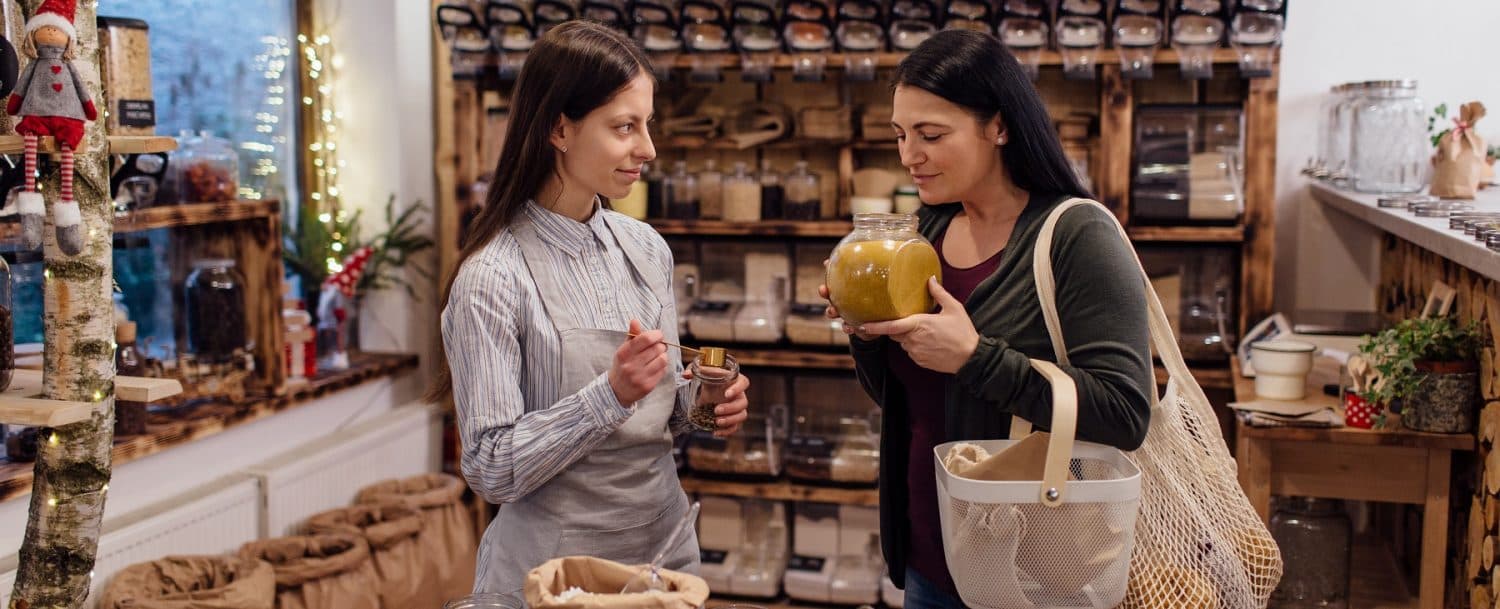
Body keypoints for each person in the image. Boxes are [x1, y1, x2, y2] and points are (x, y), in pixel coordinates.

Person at [819, 30, 1154, 609]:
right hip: (931, 556)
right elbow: (904, 399)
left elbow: (1125, 415)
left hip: (1037, 572)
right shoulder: (920, 237)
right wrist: (867, 333)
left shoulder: (1078, 235)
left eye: (931, 135)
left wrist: (976, 359)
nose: (908, 156)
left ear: (998, 127)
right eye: (901, 135)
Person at [428, 21, 751, 602]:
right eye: (624, 127)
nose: (647, 148)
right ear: (559, 128)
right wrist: (610, 394)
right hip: (553, 577)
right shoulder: (492, 278)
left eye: (645, 124)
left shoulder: (646, 248)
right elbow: (489, 468)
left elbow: (668, 418)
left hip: (662, 560)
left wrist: (703, 402)